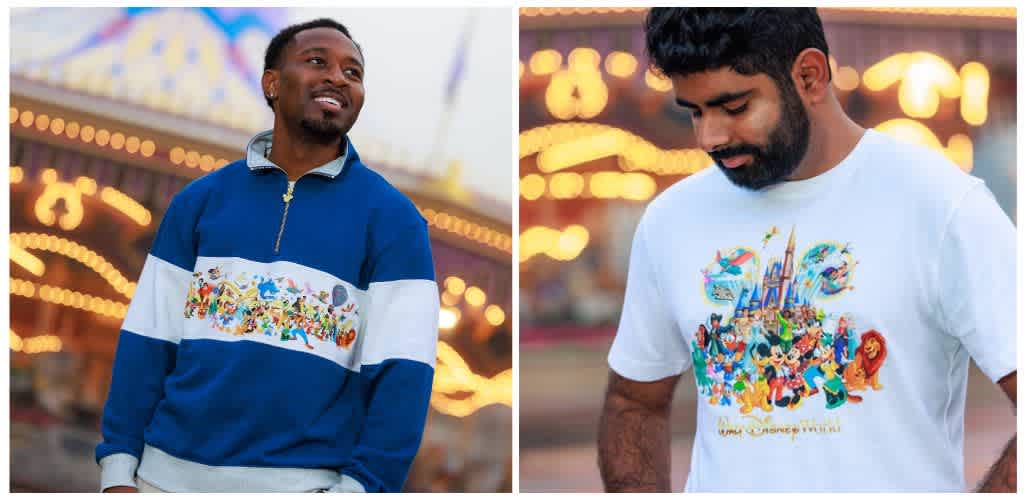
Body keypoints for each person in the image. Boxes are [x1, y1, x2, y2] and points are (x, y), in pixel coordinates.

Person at [598, 7, 1015, 493]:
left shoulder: (943, 205)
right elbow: (633, 401)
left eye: (734, 108)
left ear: (809, 76)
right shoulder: (671, 220)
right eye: (694, 111)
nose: (709, 136)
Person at [96, 18, 440, 493]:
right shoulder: (199, 203)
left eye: (353, 72)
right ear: (272, 83)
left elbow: (405, 375)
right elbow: (147, 342)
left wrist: (362, 488)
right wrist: (118, 472)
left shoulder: (395, 222)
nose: (339, 78)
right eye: (318, 61)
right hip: (161, 477)